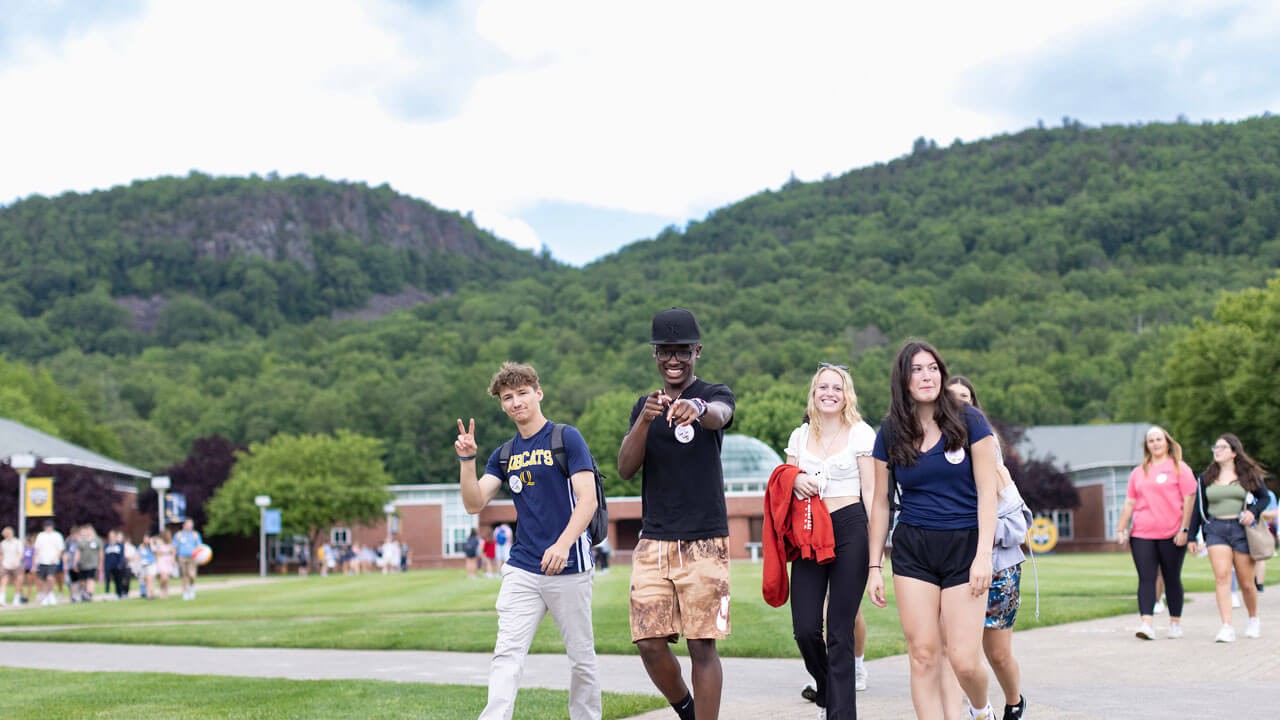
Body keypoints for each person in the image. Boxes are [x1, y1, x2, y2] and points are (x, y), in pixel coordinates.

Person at [455, 361, 601, 720]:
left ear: (538, 393)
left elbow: (589, 499)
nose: (516, 401)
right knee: (507, 653)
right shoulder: (504, 455)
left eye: (522, 393)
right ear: (502, 405)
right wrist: (467, 460)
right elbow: (474, 503)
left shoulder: (566, 438)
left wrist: (563, 543)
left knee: (581, 659)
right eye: (508, 397)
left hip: (570, 566)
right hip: (522, 567)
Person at [866, 341, 998, 720]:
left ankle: (980, 707)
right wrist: (874, 565)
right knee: (923, 654)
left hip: (965, 546)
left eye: (933, 368)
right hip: (913, 548)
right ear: (903, 381)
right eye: (917, 370)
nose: (927, 376)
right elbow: (880, 502)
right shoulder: (890, 431)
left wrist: (984, 556)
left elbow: (988, 493)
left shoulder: (970, 421)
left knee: (962, 658)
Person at [619, 307, 736, 720]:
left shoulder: (715, 393)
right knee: (649, 642)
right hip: (655, 540)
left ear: (697, 351)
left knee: (702, 645)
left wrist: (699, 409)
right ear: (654, 355)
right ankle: (687, 709)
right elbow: (625, 468)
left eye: (682, 351)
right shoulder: (644, 406)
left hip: (705, 539)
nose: (673, 359)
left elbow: (722, 415)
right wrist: (645, 422)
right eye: (665, 351)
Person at [783, 363, 875, 720]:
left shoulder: (861, 434)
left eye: (837, 388)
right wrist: (794, 481)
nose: (830, 393)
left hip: (851, 527)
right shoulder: (799, 436)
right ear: (814, 392)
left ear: (846, 394)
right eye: (824, 387)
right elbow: (785, 478)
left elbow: (870, 490)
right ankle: (827, 688)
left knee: (840, 632)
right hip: (809, 530)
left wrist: (875, 544)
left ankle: (840, 714)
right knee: (805, 629)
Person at [947, 378, 1031, 720]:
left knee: (997, 653)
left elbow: (1017, 527)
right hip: (953, 569)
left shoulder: (993, 459)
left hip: (999, 566)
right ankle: (977, 710)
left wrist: (979, 533)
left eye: (965, 398)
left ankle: (1014, 702)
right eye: (951, 399)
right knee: (958, 652)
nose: (958, 404)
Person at [1115, 425, 1196, 640]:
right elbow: (1130, 502)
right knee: (1146, 578)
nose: (1155, 444)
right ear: (1146, 445)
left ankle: (1175, 623)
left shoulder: (1180, 468)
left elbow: (1189, 500)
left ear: (1167, 442)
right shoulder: (1139, 472)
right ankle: (1146, 623)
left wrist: (1185, 529)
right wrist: (1121, 528)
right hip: (1142, 533)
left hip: (1172, 533)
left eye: (1159, 439)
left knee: (1171, 578)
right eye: (1151, 441)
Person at [1187, 433, 1269, 641]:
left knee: (1246, 582)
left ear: (1233, 452)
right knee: (1222, 577)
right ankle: (1226, 626)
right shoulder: (1205, 478)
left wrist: (1253, 510)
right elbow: (1198, 509)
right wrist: (1191, 537)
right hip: (1215, 529)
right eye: (1215, 447)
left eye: (1222, 447)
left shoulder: (1247, 474)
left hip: (1241, 530)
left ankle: (1253, 619)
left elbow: (1264, 497)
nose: (1217, 450)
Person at [33, 520, 65, 606]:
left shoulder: (57, 535)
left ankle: (51, 594)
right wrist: (35, 561)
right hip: (42, 560)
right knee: (43, 580)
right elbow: (37, 548)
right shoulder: (41, 535)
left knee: (50, 577)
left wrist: (56, 557)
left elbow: (60, 549)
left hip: (52, 561)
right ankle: (45, 595)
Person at [72, 525, 103, 602]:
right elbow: (77, 552)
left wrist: (100, 564)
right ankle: (84, 593)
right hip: (82, 564)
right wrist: (75, 562)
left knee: (90, 579)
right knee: (82, 581)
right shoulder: (81, 541)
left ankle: (90, 594)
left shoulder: (97, 540)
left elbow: (101, 553)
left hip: (93, 564)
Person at [174, 519, 203, 600]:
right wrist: (173, 558)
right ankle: (185, 592)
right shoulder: (178, 535)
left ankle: (191, 587)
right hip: (182, 557)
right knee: (184, 575)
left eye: (191, 525)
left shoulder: (195, 535)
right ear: (184, 525)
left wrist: (200, 557)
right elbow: (175, 547)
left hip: (192, 558)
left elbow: (199, 547)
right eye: (188, 524)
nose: (190, 526)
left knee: (192, 575)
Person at [153, 531, 175, 598]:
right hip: (162, 560)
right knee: (163, 578)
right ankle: (162, 589)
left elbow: (173, 551)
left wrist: (173, 558)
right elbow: (157, 550)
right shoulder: (159, 542)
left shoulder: (171, 542)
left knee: (167, 579)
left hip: (168, 560)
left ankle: (166, 592)